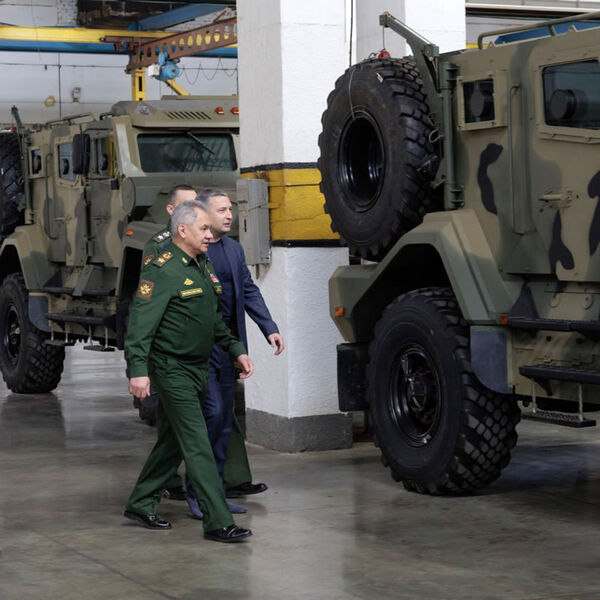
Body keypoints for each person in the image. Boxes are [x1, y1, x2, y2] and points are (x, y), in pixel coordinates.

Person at [123, 199, 253, 543]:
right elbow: (140, 327)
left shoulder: (201, 265)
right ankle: (218, 521)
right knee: (197, 443)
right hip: (172, 369)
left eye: (209, 229)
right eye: (203, 228)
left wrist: (236, 349)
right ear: (182, 230)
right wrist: (138, 370)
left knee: (172, 442)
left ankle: (141, 502)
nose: (210, 234)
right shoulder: (162, 270)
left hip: (199, 367)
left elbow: (212, 319)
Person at [193, 188, 284, 506]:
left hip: (230, 349)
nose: (229, 215)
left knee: (222, 423)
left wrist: (269, 327)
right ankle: (197, 492)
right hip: (202, 349)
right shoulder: (194, 250)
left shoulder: (233, 249)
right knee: (212, 415)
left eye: (230, 209)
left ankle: (215, 493)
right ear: (203, 214)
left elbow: (248, 290)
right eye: (221, 210)